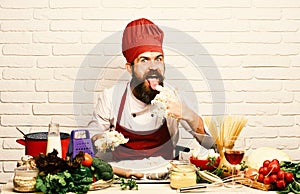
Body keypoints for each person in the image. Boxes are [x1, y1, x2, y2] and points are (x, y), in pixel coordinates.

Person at [89, 18, 210, 161]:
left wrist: (189, 115)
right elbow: (90, 138)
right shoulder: (110, 97)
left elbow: (211, 145)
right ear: (130, 68)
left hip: (165, 179)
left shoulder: (174, 96)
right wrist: (103, 139)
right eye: (144, 60)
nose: (153, 67)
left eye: (158, 59)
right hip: (124, 179)